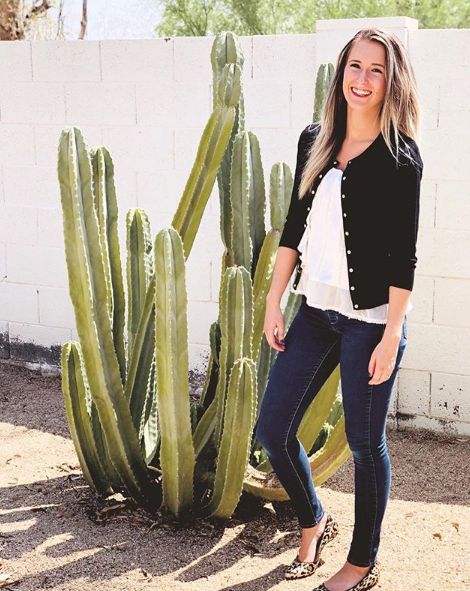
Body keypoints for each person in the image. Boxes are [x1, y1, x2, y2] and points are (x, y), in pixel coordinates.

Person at [255, 28, 424, 591]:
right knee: (274, 428)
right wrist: (273, 300)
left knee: (363, 443)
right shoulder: (315, 140)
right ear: (341, 72)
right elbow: (292, 229)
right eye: (356, 66)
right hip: (317, 313)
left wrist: (390, 334)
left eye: (377, 70)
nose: (363, 79)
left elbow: (404, 256)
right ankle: (313, 518)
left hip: (371, 321)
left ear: (391, 79)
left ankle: (361, 561)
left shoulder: (401, 156)